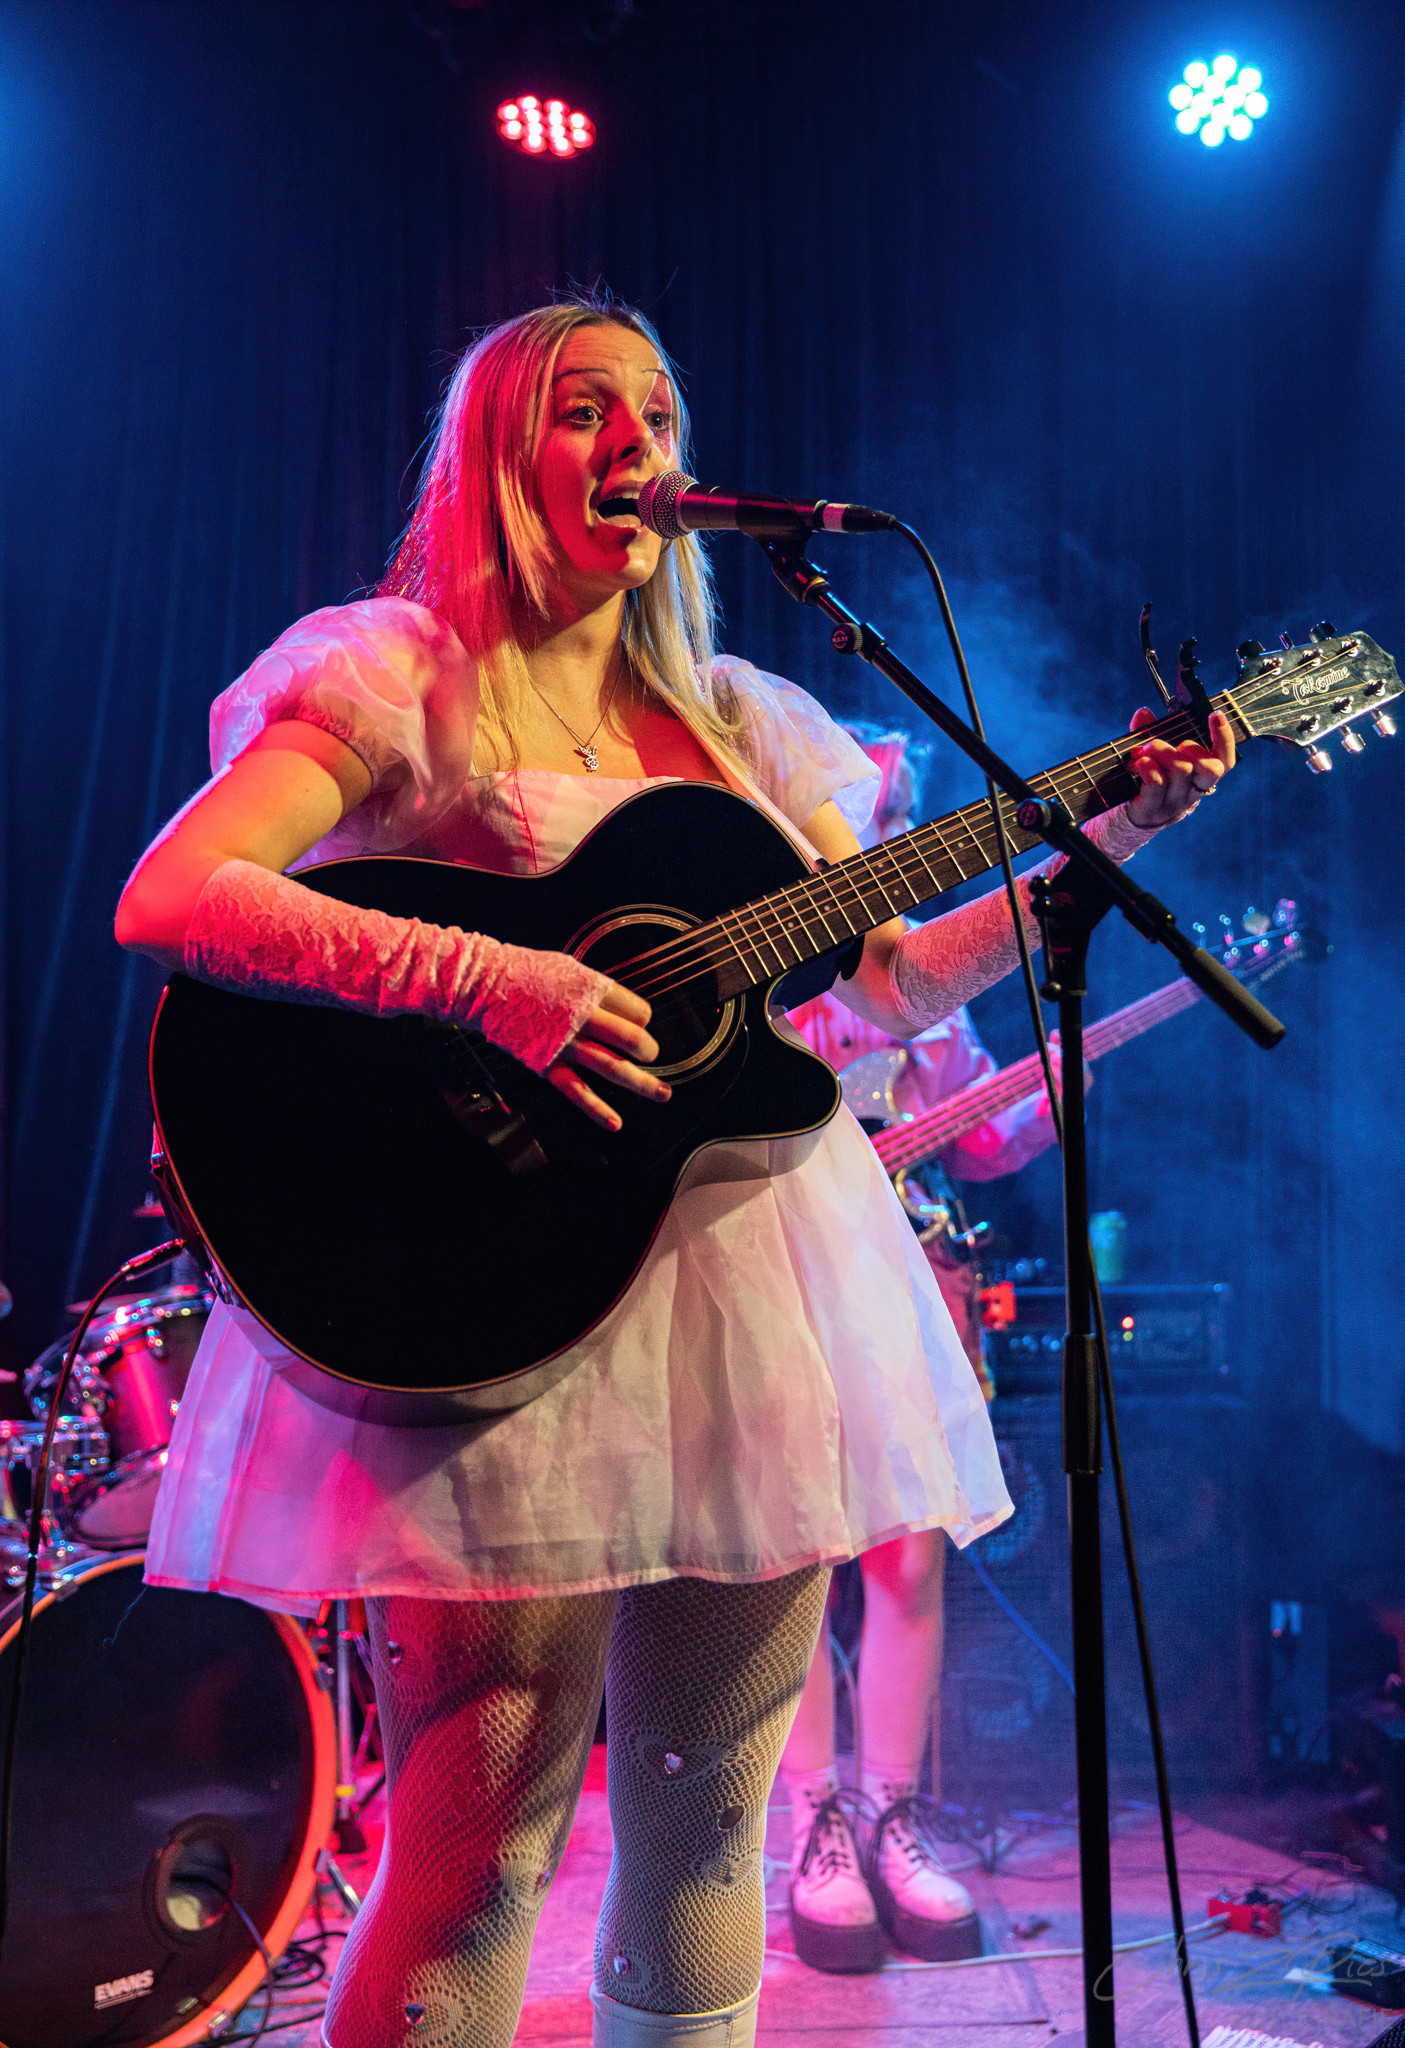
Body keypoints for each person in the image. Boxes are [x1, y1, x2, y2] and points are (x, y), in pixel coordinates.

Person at [114, 296, 1235, 2048]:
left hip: (747, 1295)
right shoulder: (399, 675)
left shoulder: (743, 726)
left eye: (654, 410)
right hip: (495, 1283)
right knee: (479, 1858)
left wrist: (1115, 827)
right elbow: (175, 896)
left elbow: (889, 986)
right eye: (584, 409)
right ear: (499, 458)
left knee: (711, 1825)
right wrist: (490, 977)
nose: (636, 441)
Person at [781, 729, 1060, 1973]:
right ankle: (811, 1824)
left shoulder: (915, 979)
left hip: (903, 1275)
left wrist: (1055, 1086)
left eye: (886, 820)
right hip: (773, 1271)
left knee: (907, 1550)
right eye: (858, 817)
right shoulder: (762, 955)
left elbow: (981, 1135)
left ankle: (891, 1812)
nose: (873, 841)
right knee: (787, 1549)